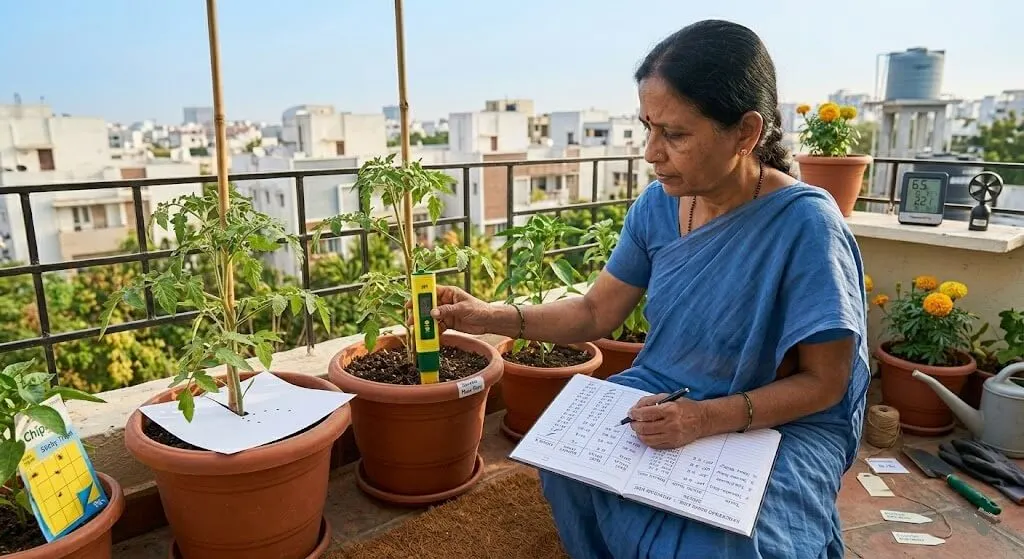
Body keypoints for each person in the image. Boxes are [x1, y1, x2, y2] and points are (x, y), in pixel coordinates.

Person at [427, 19, 869, 559]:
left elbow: (825, 384)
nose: (650, 153)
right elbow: (594, 312)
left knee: (729, 547)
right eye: (647, 128)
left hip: (780, 421)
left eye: (675, 134)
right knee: (570, 468)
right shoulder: (659, 205)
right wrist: (486, 316)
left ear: (747, 133)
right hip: (666, 393)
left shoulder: (807, 226)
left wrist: (704, 419)